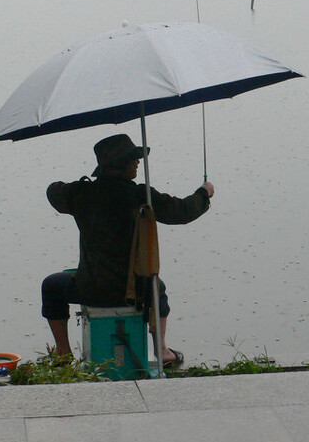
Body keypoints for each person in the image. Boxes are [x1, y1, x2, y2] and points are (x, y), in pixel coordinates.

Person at [42, 133, 214, 368]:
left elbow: (53, 192)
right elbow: (182, 212)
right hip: (134, 290)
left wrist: (78, 186)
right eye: (133, 159)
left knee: (51, 286)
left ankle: (63, 354)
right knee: (158, 288)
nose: (137, 162)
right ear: (120, 166)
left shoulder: (81, 194)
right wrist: (204, 194)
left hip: (90, 288)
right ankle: (162, 349)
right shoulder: (139, 195)